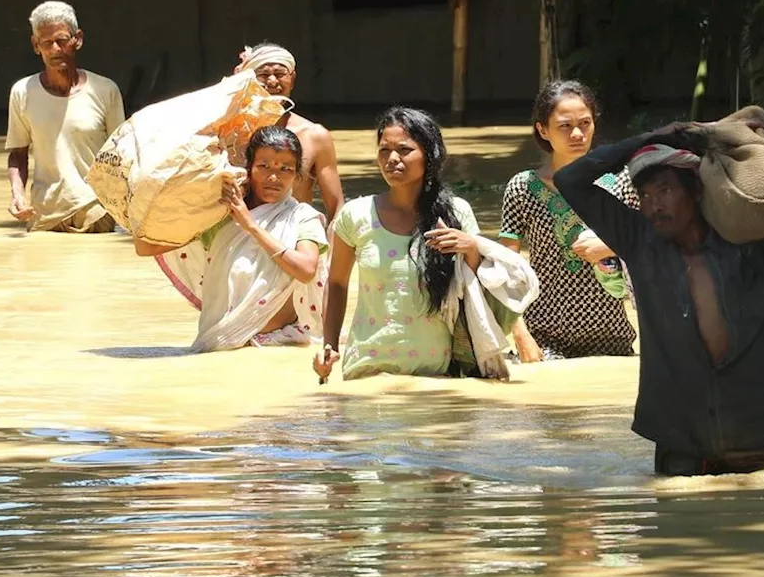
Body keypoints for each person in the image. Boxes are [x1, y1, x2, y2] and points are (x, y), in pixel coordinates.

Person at [555, 116, 764, 476]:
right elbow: (570, 179)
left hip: (762, 444)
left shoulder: (761, 251)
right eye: (644, 196)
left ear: (697, 190)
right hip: (682, 446)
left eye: (664, 191)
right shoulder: (640, 243)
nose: (652, 205)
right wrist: (654, 136)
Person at [317, 107, 526, 381]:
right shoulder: (355, 215)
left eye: (404, 150)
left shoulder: (456, 213)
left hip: (439, 371)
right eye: (384, 150)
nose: (392, 159)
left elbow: (483, 286)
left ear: (430, 155)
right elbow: (337, 283)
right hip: (368, 368)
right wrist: (328, 346)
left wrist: (471, 248)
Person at [155, 126, 329, 352]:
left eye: (285, 169)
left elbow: (306, 270)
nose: (274, 177)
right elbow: (150, 245)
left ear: (297, 177)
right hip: (221, 341)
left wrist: (251, 226)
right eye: (264, 166)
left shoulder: (303, 217)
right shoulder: (220, 217)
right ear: (249, 169)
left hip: (279, 345)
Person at [499, 80, 639, 361]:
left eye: (585, 123)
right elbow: (504, 268)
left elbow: (652, 244)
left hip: (611, 335)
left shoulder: (620, 181)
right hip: (544, 336)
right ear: (543, 130)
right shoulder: (523, 188)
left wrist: (612, 245)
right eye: (565, 125)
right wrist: (520, 334)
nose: (577, 134)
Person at [5, 1, 125, 233]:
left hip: (96, 212)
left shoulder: (105, 90)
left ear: (77, 40)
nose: (55, 49)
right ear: (35, 45)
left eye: (62, 40)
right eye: (46, 43)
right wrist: (17, 195)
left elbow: (123, 156)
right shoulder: (22, 92)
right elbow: (18, 154)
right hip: (45, 214)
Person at [233, 43, 344, 220]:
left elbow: (336, 207)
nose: (272, 82)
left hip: (295, 240)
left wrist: (334, 247)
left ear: (292, 79)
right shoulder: (229, 134)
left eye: (279, 74)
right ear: (247, 81)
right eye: (262, 75)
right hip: (235, 238)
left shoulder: (315, 136)